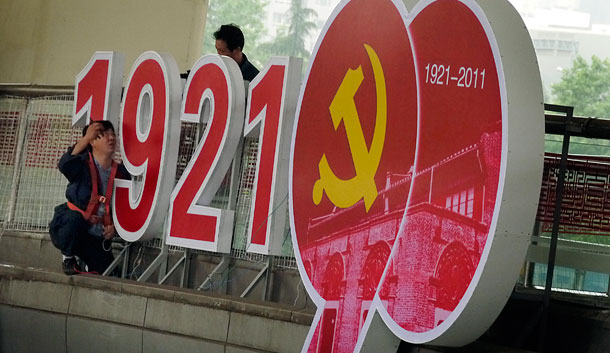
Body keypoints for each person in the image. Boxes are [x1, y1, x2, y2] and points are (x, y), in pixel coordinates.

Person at [49, 121, 129, 275]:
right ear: (92, 141)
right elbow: (64, 165)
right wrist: (85, 138)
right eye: (103, 135)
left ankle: (88, 264)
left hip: (96, 236)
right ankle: (68, 257)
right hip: (70, 228)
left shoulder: (121, 172)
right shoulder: (82, 163)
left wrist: (115, 228)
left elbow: (125, 207)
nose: (111, 138)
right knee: (73, 219)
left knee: (111, 275)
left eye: (112, 134)